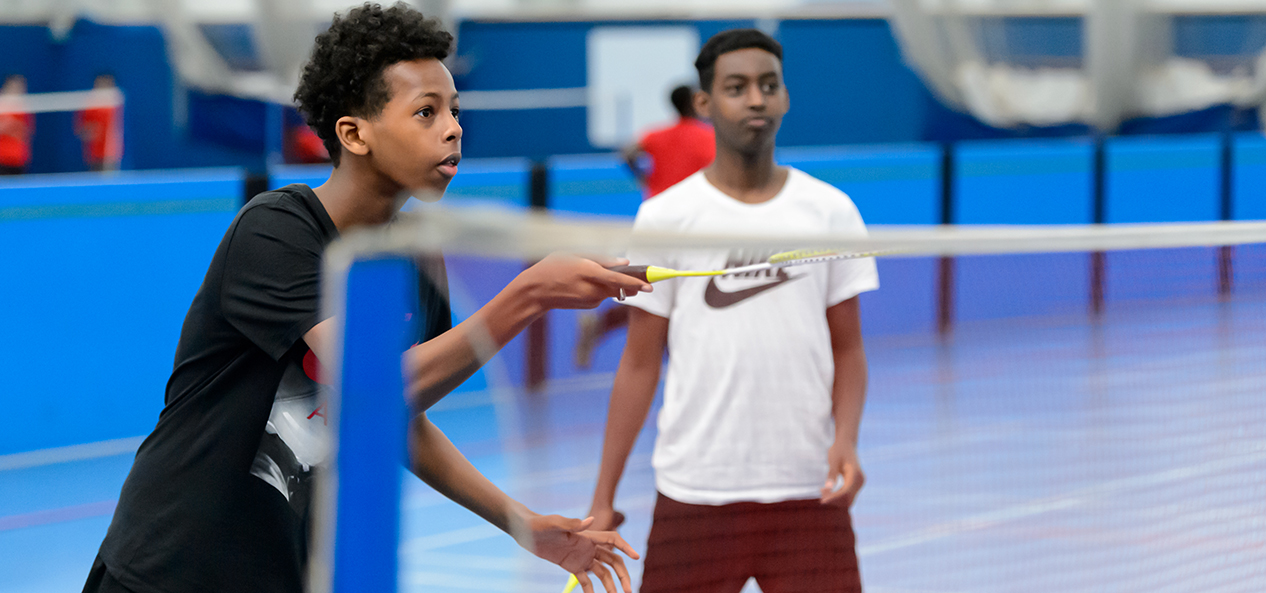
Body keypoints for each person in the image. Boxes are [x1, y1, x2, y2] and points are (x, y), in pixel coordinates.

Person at [82, 5, 647, 593]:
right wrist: (529, 294)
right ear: (354, 133)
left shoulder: (418, 263)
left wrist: (520, 522)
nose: (453, 128)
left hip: (286, 574)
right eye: (426, 112)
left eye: (455, 110)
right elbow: (371, 383)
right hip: (169, 568)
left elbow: (397, 416)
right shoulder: (277, 229)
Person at [587, 29, 878, 593]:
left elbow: (849, 346)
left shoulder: (831, 211)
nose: (756, 99)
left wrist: (846, 440)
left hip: (807, 492)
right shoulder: (667, 217)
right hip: (696, 491)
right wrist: (604, 495)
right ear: (705, 103)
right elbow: (640, 362)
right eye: (737, 87)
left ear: (786, 98)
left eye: (769, 86)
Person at [575, 86, 715, 368]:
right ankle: (680, 361)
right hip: (688, 227)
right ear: (696, 103)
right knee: (681, 294)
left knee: (651, 290)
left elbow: (628, 153)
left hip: (655, 221)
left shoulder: (656, 135)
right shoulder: (707, 137)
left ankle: (602, 323)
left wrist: (643, 177)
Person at [75, 74, 122, 172]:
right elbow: (82, 130)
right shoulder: (90, 105)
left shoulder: (115, 104)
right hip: (93, 154)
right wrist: (89, 131)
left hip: (111, 153)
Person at [0, 74, 34, 175]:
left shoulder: (25, 109)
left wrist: (11, 125)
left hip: (18, 158)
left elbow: (26, 132)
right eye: (14, 87)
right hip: (2, 157)